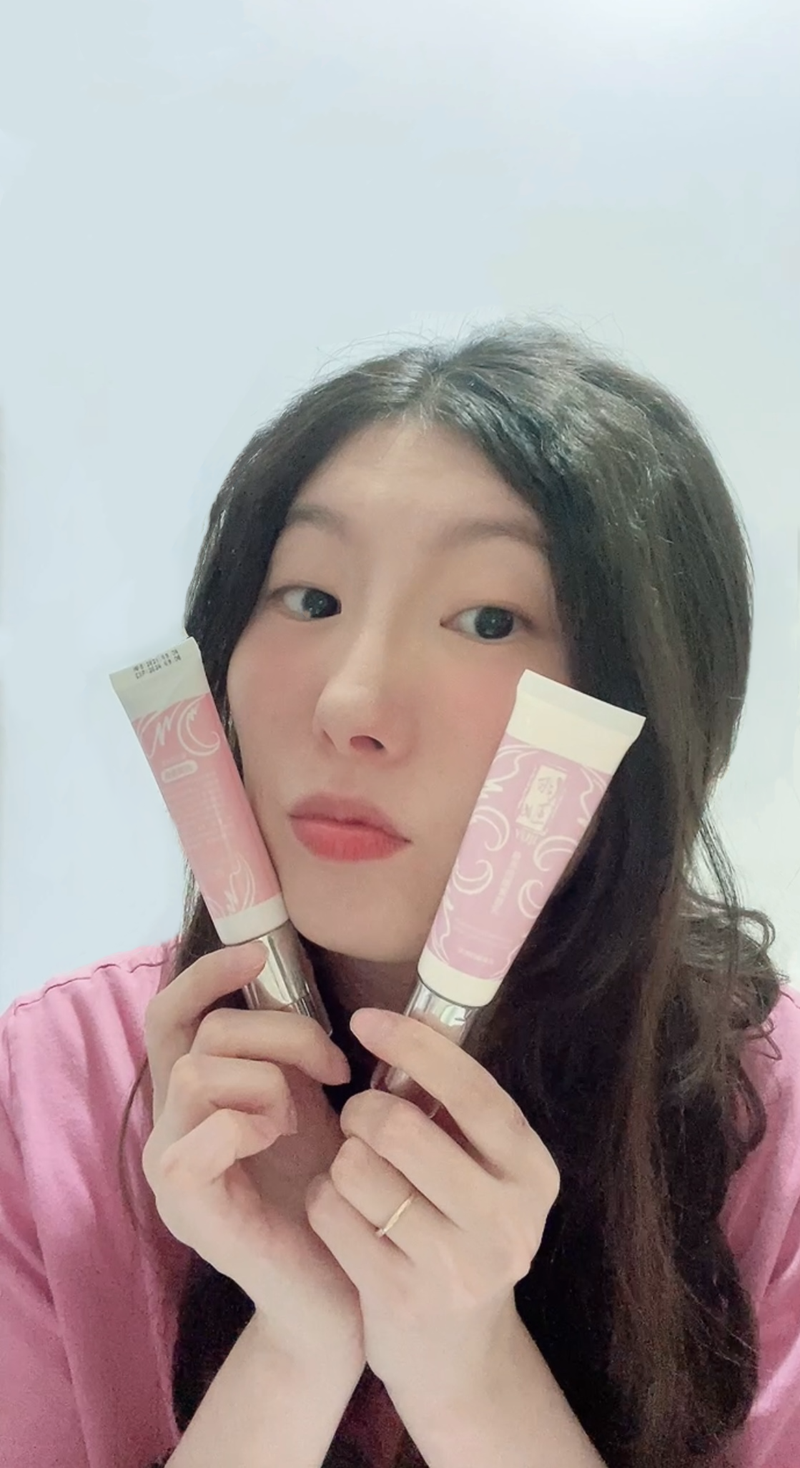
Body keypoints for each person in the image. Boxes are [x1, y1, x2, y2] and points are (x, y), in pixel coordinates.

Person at [1, 324, 798, 1468]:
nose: (350, 702)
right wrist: (294, 1343)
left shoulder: (772, 1124)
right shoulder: (51, 1095)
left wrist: (468, 1369)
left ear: (649, 693)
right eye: (308, 596)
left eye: (487, 619)